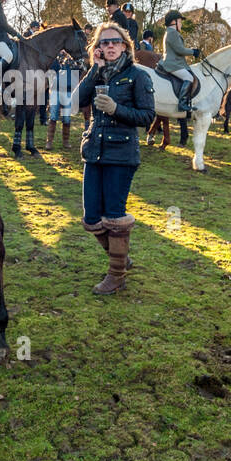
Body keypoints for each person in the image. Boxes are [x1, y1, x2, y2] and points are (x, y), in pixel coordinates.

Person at [75, 22, 156, 294]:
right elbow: (76, 102)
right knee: (91, 217)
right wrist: (93, 70)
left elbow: (147, 117)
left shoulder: (138, 76)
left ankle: (116, 275)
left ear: (125, 46)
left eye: (114, 42)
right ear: (97, 48)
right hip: (94, 152)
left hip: (122, 154)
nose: (109, 46)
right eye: (103, 42)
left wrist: (116, 109)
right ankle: (120, 257)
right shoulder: (97, 74)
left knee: (114, 216)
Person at [161, 10, 199, 112]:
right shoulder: (172, 33)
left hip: (175, 63)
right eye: (180, 21)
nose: (181, 24)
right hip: (172, 64)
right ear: (174, 22)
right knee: (189, 77)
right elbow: (180, 50)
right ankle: (182, 103)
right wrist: (193, 52)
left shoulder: (171, 32)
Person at [45, 50, 82, 150]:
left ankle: (66, 141)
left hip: (68, 92)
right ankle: (49, 142)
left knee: (66, 118)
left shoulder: (75, 61)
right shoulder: (55, 58)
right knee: (53, 117)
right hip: (55, 91)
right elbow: (50, 71)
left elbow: (80, 73)